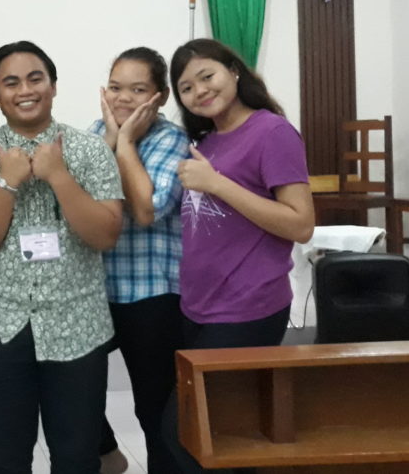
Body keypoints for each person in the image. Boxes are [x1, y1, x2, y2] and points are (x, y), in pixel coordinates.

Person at [0, 40, 123, 474]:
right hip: (0, 325)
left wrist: (58, 176)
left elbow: (105, 234)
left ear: (53, 86)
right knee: (5, 457)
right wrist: (6, 184)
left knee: (78, 456)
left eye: (35, 78)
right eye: (10, 83)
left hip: (77, 324)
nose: (24, 90)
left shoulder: (88, 150)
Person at [165, 38, 314, 473]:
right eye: (186, 88)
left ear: (234, 71)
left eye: (206, 76)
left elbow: (300, 223)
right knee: (214, 435)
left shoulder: (271, 131)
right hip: (198, 307)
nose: (199, 91)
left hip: (246, 306)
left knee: (179, 431)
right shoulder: (207, 142)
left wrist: (217, 184)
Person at [90, 47, 188, 474]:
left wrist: (125, 142)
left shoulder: (173, 140)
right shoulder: (93, 133)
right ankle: (108, 454)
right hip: (94, 290)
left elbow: (148, 209)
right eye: (115, 87)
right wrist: (110, 140)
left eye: (137, 89)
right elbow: (73, 204)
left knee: (155, 407)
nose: (123, 98)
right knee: (66, 391)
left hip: (153, 294)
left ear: (161, 96)